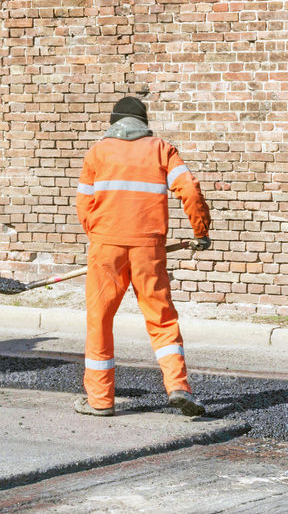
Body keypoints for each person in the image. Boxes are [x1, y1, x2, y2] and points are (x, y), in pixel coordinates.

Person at [74, 96, 212, 417]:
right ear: (143, 123)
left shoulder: (97, 152)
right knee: (161, 317)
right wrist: (200, 231)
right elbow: (190, 190)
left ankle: (100, 400)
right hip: (149, 248)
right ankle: (178, 386)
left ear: (113, 122)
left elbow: (84, 205)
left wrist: (101, 236)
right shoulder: (162, 149)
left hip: (106, 248)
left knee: (100, 320)